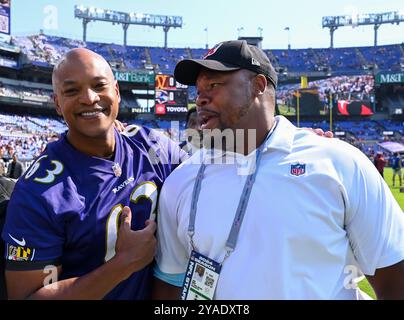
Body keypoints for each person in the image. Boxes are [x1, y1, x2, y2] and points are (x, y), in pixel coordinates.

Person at [153, 40, 404, 300]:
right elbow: (169, 286)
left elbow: (394, 277)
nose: (201, 98)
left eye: (214, 85)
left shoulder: (338, 162)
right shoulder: (181, 180)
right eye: (198, 90)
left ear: (258, 86)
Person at [1, 48, 186, 300]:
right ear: (57, 103)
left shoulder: (152, 145)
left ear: (117, 92)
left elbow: (205, 187)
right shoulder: (37, 192)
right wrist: (123, 264)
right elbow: (28, 296)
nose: (89, 98)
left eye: (99, 85)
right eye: (71, 91)